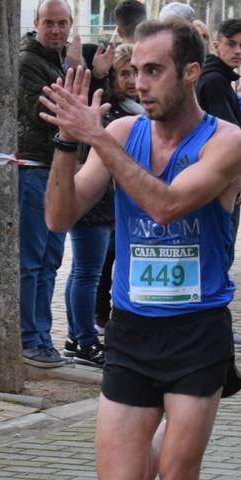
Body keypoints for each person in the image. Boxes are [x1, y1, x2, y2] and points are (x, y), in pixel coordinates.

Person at [38, 18, 241, 480]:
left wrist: (98, 135)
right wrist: (70, 146)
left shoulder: (229, 143)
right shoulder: (125, 133)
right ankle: (167, 428)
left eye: (153, 70)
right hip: (130, 333)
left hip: (196, 334)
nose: (139, 83)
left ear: (191, 72)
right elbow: (59, 215)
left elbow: (163, 206)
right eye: (133, 71)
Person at [194, 18, 241, 347]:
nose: (238, 51)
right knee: (218, 257)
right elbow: (226, 139)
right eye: (231, 44)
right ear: (216, 45)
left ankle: (212, 326)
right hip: (221, 187)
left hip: (222, 184)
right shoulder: (214, 82)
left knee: (219, 256)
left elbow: (231, 130)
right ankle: (213, 328)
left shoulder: (221, 80)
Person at [16, 0, 73, 368]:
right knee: (33, 261)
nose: (55, 30)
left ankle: (43, 335)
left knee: (52, 259)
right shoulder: (27, 63)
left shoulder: (66, 61)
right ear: (36, 24)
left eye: (61, 23)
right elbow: (45, 112)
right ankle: (27, 338)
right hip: (35, 168)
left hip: (60, 171)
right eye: (48, 23)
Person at [93, 44, 142, 333]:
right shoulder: (112, 114)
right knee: (103, 264)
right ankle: (100, 316)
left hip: (134, 203)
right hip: (109, 203)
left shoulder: (142, 111)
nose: (132, 81)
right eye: (124, 73)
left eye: (135, 72)